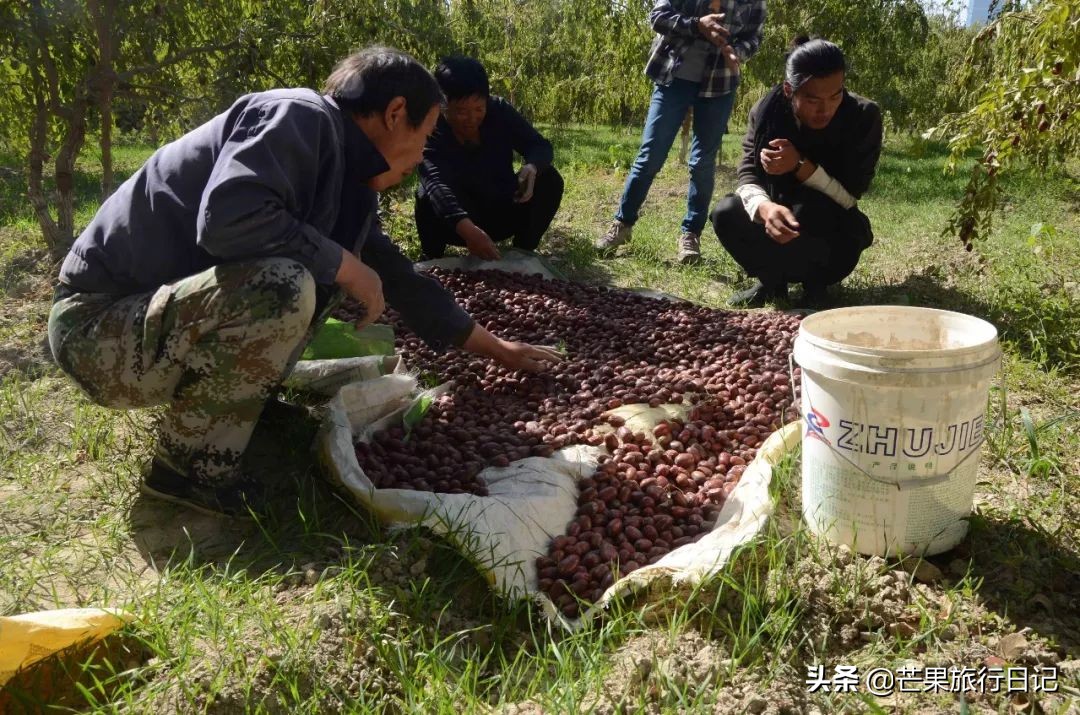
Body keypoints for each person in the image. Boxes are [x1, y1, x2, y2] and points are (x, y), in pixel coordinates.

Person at [47, 46, 562, 517]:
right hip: (99, 332)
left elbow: (401, 281)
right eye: (427, 134)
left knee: (319, 274)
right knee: (287, 284)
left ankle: (240, 408)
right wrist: (344, 263)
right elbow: (229, 218)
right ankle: (185, 471)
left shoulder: (346, 179)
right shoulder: (298, 115)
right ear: (395, 113)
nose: (425, 152)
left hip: (152, 327)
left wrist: (500, 350)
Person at [710, 37, 883, 307]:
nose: (825, 109)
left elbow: (849, 197)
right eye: (813, 99)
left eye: (835, 96)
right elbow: (747, 174)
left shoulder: (863, 116)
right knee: (726, 212)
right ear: (790, 90)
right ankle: (771, 283)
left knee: (811, 210)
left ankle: (816, 286)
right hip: (777, 214)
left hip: (831, 228)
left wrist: (800, 166)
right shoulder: (767, 112)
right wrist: (765, 208)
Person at [595, 0, 766, 265]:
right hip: (673, 77)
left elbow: (754, 35)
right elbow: (658, 16)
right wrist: (696, 26)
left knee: (702, 163)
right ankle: (622, 224)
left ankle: (690, 235)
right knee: (651, 155)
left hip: (720, 82)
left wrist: (737, 52)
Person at [415, 55, 564, 261]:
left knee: (549, 178)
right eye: (461, 112)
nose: (471, 119)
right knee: (426, 194)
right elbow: (435, 183)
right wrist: (468, 231)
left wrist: (532, 166)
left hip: (501, 211)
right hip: (456, 224)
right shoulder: (431, 127)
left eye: (479, 109)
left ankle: (523, 251)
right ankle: (433, 259)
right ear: (442, 105)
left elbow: (539, 145)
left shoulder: (499, 111)